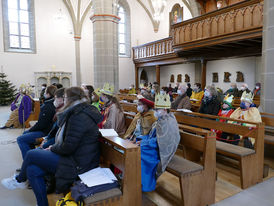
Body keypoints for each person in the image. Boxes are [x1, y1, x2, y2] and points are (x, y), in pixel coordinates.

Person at [1, 87, 102, 206]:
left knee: (31, 154)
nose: (63, 100)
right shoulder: (76, 112)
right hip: (73, 157)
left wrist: (53, 148)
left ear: (70, 99)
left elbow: (69, 147)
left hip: (78, 163)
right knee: (32, 170)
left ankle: (19, 180)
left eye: (64, 98)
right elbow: (66, 140)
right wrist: (53, 146)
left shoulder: (79, 116)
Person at [137, 93, 180, 192]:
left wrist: (144, 143)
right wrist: (141, 139)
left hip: (161, 151)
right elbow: (153, 135)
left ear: (164, 110)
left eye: (157, 110)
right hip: (155, 146)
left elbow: (162, 141)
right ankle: (138, 181)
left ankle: (146, 185)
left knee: (140, 153)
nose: (155, 112)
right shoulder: (161, 119)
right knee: (137, 148)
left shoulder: (168, 121)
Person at [17, 85, 57, 159]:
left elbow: (41, 125)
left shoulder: (48, 106)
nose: (44, 94)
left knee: (20, 139)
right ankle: (32, 155)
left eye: (45, 92)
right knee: (25, 134)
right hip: (48, 129)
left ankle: (28, 161)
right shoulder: (51, 103)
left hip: (46, 131)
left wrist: (31, 129)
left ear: (48, 94)